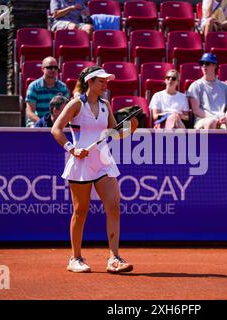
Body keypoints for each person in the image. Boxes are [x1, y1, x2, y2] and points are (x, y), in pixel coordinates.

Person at [51, 66, 137, 274]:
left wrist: (130, 129)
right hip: (81, 163)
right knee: (80, 211)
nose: (105, 83)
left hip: (104, 162)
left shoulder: (106, 105)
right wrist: (72, 149)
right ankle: (75, 258)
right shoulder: (76, 104)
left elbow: (113, 133)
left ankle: (114, 258)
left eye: (106, 80)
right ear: (89, 82)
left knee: (114, 206)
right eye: (101, 80)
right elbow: (56, 129)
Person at [187, 52, 227, 130]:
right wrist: (214, 118)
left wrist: (226, 118)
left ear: (215, 65)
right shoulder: (195, 85)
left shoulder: (225, 86)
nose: (204, 66)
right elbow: (196, 110)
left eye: (207, 63)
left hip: (221, 120)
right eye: (202, 63)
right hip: (203, 119)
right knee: (211, 122)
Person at [25, 56, 69, 127]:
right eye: (50, 67)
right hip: (37, 122)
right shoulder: (33, 86)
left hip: (57, 122)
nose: (53, 70)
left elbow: (66, 110)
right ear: (42, 69)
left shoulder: (63, 87)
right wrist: (43, 124)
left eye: (55, 67)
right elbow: (30, 112)